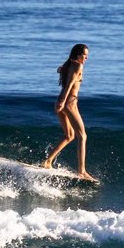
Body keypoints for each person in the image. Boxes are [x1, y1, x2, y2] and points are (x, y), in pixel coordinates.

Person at [41, 44, 94, 179]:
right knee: (82, 136)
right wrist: (63, 101)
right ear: (77, 55)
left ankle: (48, 161)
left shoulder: (68, 65)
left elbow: (59, 70)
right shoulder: (78, 66)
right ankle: (82, 171)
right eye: (84, 55)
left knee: (69, 136)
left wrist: (60, 101)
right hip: (69, 103)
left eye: (87, 55)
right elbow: (70, 84)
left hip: (63, 103)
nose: (86, 58)